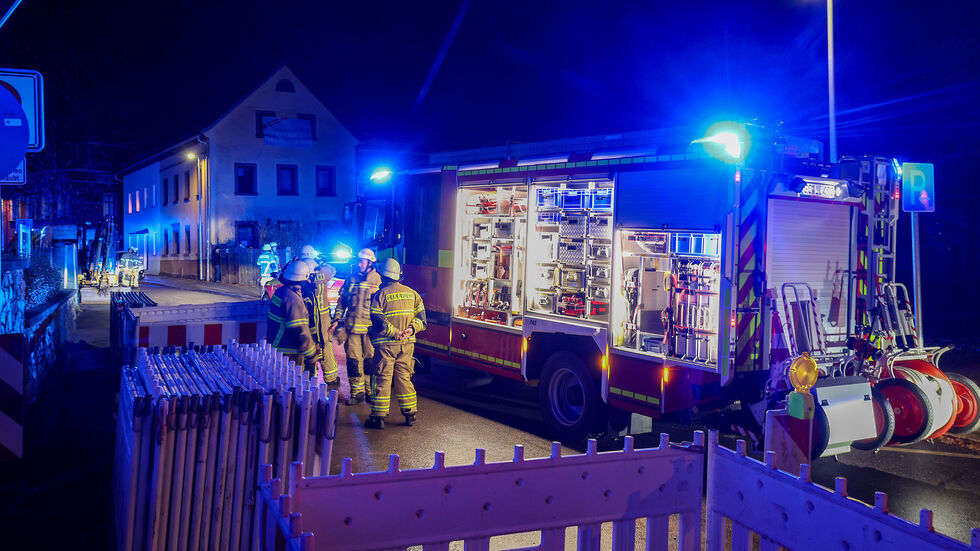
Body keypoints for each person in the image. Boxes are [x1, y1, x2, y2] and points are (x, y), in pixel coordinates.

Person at [364, 258, 426, 429]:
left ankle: (378, 417)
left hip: (386, 346)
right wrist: (410, 330)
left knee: (382, 378)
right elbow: (422, 320)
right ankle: (410, 414)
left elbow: (378, 321)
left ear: (383, 276)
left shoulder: (380, 295)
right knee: (404, 377)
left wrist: (395, 333)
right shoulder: (413, 293)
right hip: (407, 344)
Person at [331, 248, 380, 405]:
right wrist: (337, 318)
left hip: (370, 330)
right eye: (358, 261)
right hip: (352, 330)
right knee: (353, 361)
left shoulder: (378, 280)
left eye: (362, 261)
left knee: (370, 363)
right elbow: (342, 301)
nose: (359, 264)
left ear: (370, 263)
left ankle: (370, 392)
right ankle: (356, 393)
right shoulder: (350, 279)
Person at [266, 260, 320, 373]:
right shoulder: (293, 300)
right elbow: (299, 331)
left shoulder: (281, 291)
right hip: (289, 353)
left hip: (278, 347)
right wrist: (311, 356)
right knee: (291, 386)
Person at [300, 257, 340, 388]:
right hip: (323, 317)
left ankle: (310, 378)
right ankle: (331, 380)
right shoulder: (324, 271)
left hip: (309, 317)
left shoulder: (302, 277)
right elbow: (333, 271)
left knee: (310, 347)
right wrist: (323, 264)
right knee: (326, 347)